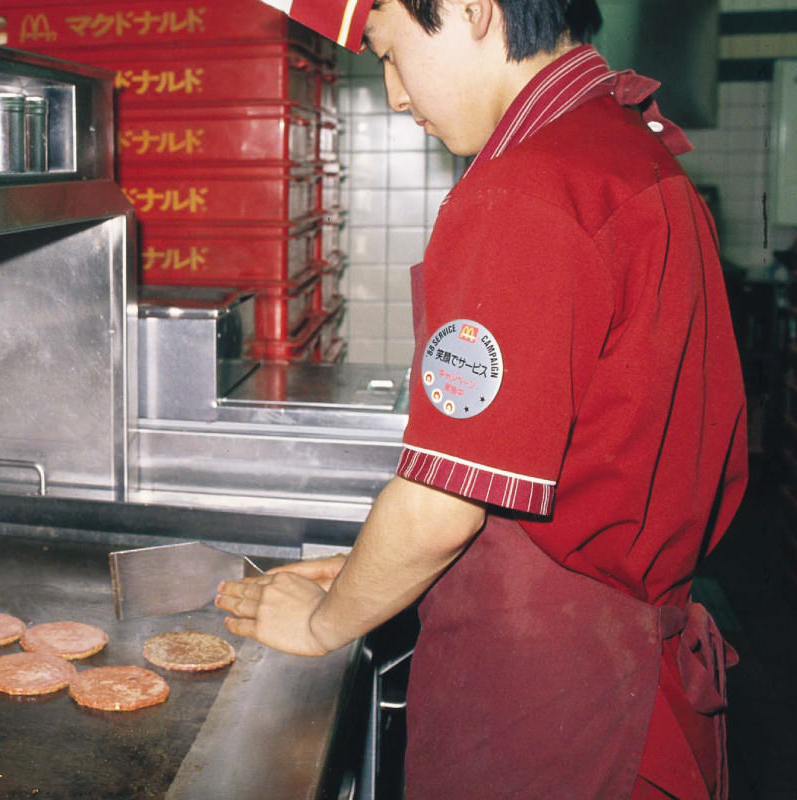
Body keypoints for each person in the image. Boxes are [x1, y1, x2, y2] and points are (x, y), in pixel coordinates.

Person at [216, 1, 748, 798]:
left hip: (549, 711)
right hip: (624, 680)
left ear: (471, 9)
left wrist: (323, 622)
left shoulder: (529, 188)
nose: (395, 93)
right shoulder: (623, 149)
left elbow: (442, 509)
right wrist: (361, 574)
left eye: (388, 52)